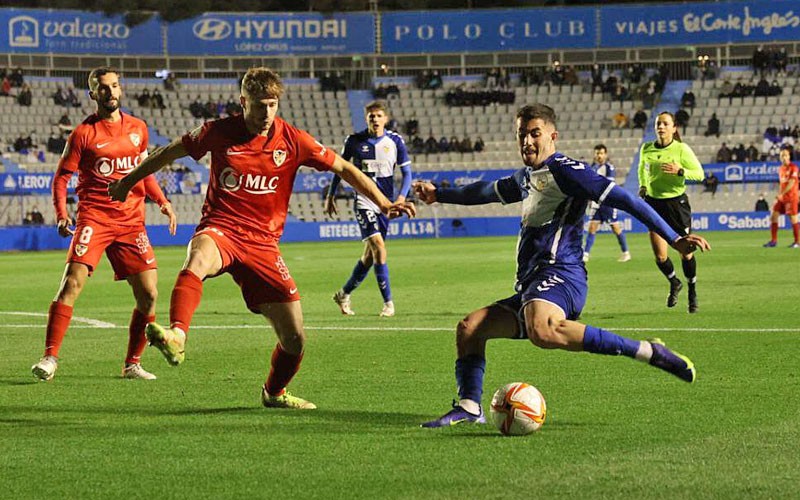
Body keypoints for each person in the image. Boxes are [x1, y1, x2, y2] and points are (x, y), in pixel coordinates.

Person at [108, 67, 414, 409]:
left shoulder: (293, 139)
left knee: (295, 339)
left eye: (272, 105)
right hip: (222, 228)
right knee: (197, 258)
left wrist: (384, 203)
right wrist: (126, 181)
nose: (266, 113)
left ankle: (274, 392)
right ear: (243, 102)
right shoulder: (218, 131)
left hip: (264, 245)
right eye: (258, 106)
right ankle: (177, 334)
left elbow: (343, 168)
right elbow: (167, 153)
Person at [414, 104, 709, 428]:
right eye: (521, 134)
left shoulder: (568, 171)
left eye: (534, 133)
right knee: (470, 329)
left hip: (562, 274)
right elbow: (484, 191)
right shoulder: (527, 177)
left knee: (542, 329)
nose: (527, 140)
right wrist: (438, 194)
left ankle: (648, 352)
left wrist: (674, 238)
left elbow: (628, 200)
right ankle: (471, 406)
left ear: (553, 136)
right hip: (532, 283)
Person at [31, 67, 177, 382]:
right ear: (93, 94)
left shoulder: (138, 128)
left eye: (114, 86)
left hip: (131, 223)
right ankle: (50, 357)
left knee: (149, 295)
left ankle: (132, 364)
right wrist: (61, 212)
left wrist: (162, 202)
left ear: (120, 90)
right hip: (95, 219)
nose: (110, 92)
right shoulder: (83, 133)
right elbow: (62, 177)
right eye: (103, 88)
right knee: (71, 284)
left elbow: (144, 171)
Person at [324, 101, 412, 317]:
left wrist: (401, 197)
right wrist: (331, 194)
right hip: (364, 201)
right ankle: (388, 304)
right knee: (379, 248)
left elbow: (407, 173)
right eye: (371, 116)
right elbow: (340, 169)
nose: (374, 119)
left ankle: (343, 294)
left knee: (369, 257)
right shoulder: (354, 142)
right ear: (366, 118)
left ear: (386, 119)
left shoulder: (395, 141)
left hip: (386, 203)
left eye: (378, 115)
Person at [638, 111, 705, 313]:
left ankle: (692, 290)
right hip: (653, 204)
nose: (661, 127)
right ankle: (674, 282)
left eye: (665, 124)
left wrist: (681, 171)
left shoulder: (681, 149)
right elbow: (642, 169)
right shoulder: (646, 148)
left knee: (685, 253)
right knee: (660, 257)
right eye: (658, 123)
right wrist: (643, 186)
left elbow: (699, 174)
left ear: (674, 128)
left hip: (676, 205)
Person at [583, 144, 630, 263]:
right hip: (596, 202)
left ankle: (626, 252)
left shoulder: (609, 168)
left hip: (607, 202)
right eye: (597, 153)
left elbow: (607, 185)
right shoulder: (592, 167)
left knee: (615, 227)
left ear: (605, 154)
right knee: (592, 227)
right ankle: (586, 254)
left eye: (601, 153)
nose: (599, 156)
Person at [763, 147, 799, 248]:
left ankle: (797, 242)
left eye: (785, 155)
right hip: (782, 197)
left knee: (793, 219)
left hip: (791, 197)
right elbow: (782, 183)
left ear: (789, 156)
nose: (783, 157)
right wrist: (779, 195)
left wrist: (781, 193)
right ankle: (773, 241)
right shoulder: (781, 169)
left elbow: (791, 183)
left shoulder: (794, 168)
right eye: (781, 156)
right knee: (773, 217)